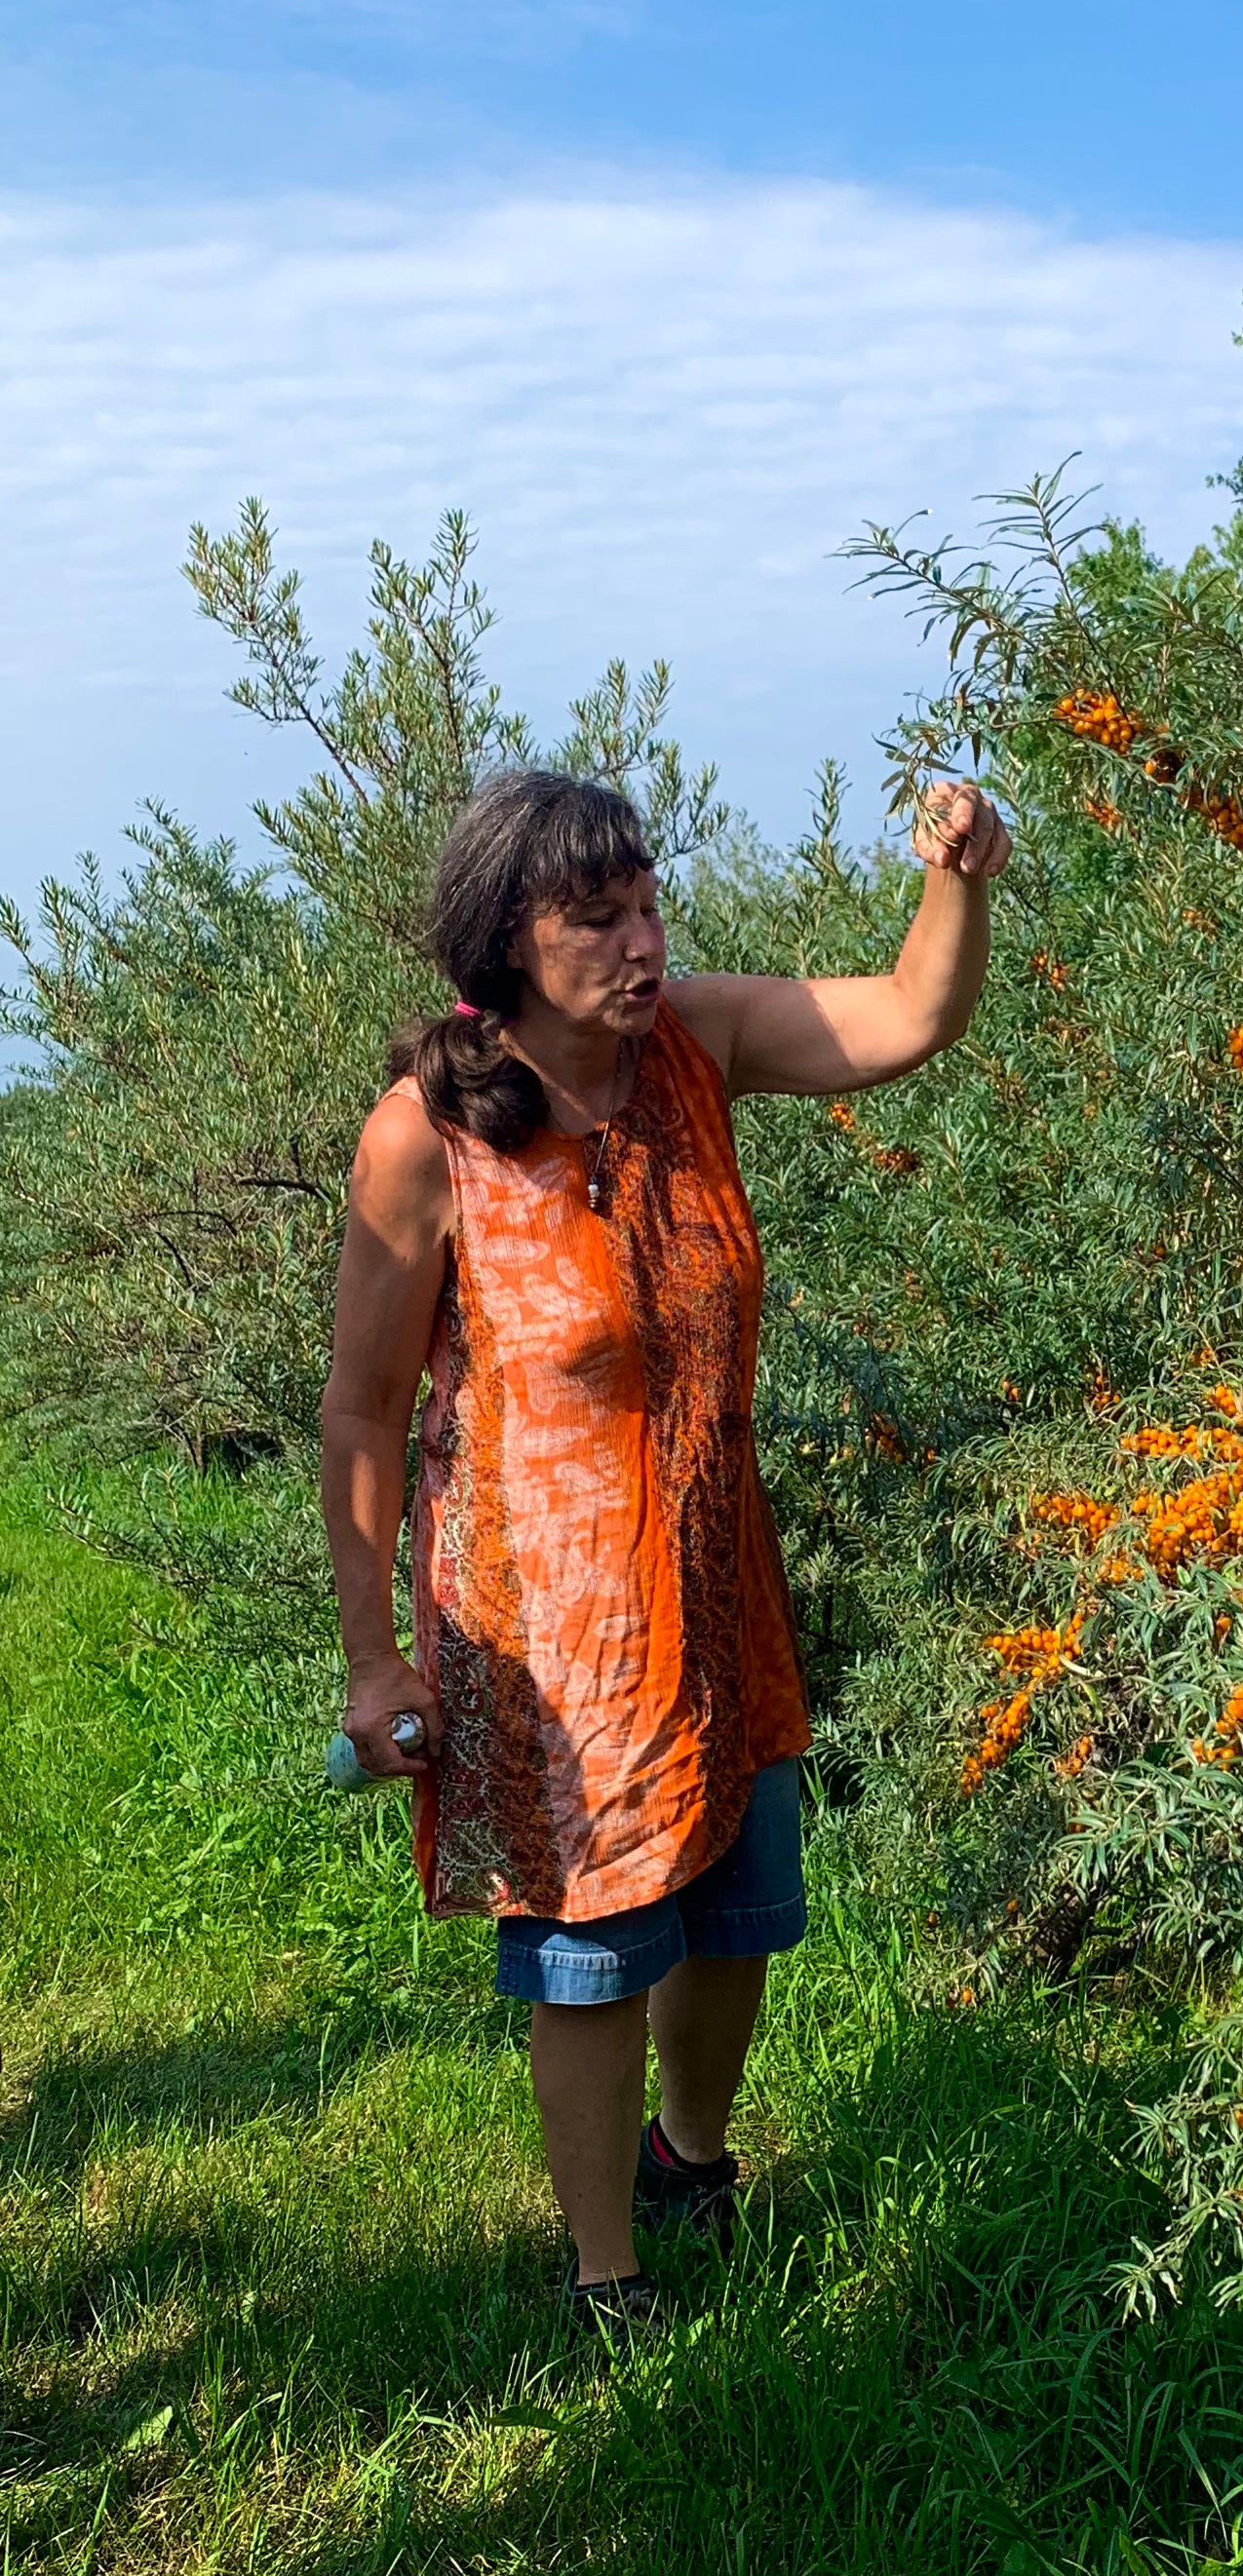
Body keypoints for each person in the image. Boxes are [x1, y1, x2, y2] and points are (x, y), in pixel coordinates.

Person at [321, 763, 1009, 2340]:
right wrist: (374, 1652)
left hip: (716, 1580)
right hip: (548, 1628)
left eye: (647, 903)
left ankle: (692, 2164)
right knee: (593, 1952)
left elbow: (910, 1013)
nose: (641, 942)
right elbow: (359, 1416)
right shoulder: (427, 1141)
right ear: (505, 942)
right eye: (596, 917)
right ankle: (605, 2272)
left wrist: (959, 874)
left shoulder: (696, 1041)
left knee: (742, 1905)